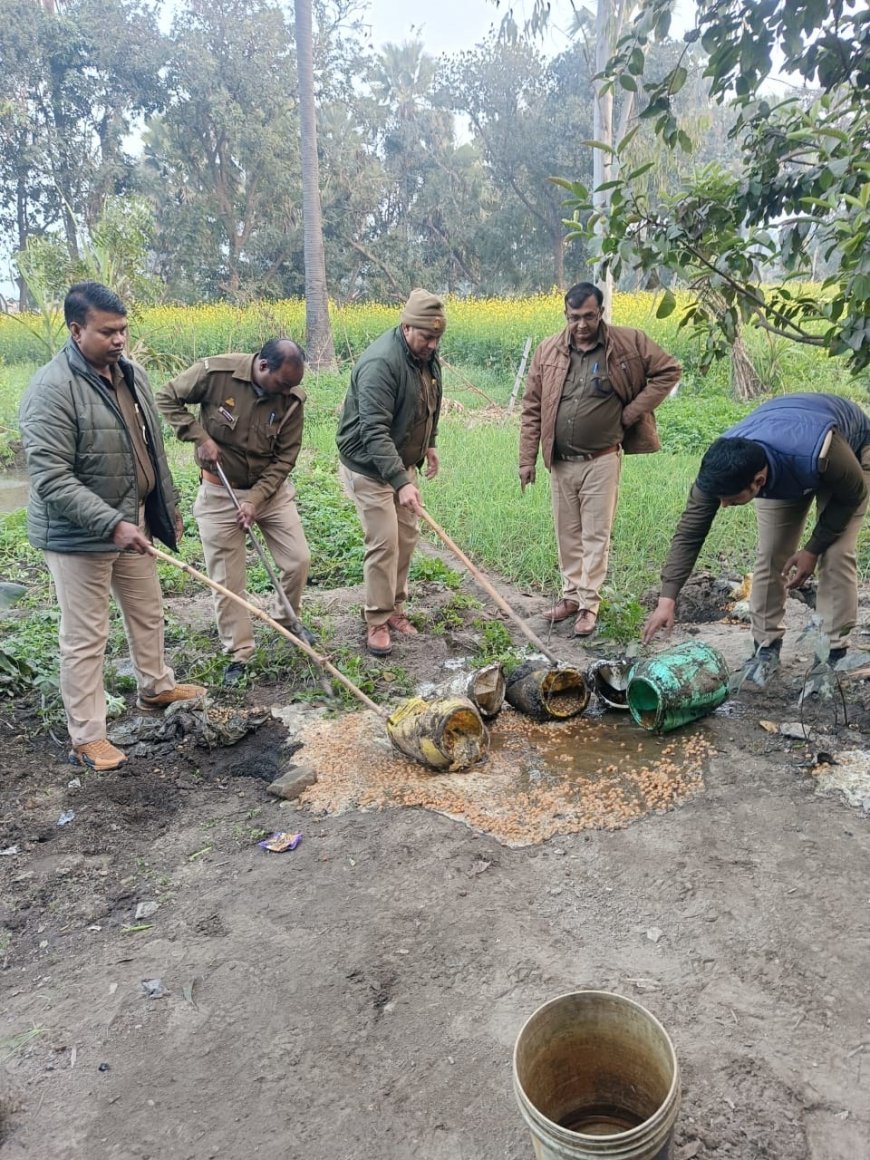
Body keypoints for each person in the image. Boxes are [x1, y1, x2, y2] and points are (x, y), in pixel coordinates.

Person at [18, 282, 206, 773]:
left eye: (123, 329)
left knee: (147, 611)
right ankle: (87, 736)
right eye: (108, 332)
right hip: (80, 536)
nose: (120, 340)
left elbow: (151, 451)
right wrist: (111, 523)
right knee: (85, 636)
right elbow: (51, 479)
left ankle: (156, 687)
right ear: (77, 330)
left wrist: (163, 509)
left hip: (131, 520)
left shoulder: (132, 375)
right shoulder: (51, 389)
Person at [643, 392, 870, 686]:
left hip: (845, 455)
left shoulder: (820, 453)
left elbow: (852, 494)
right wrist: (667, 598)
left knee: (836, 555)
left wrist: (812, 550)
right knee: (772, 554)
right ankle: (766, 648)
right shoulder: (720, 468)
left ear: (757, 482)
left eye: (731, 499)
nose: (723, 506)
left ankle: (831, 655)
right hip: (784, 455)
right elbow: (690, 532)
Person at [519, 281, 680, 637]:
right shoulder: (548, 351)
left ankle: (589, 605)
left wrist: (632, 412)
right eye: (574, 317)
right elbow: (531, 407)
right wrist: (526, 459)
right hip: (560, 461)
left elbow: (669, 370)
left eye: (588, 316)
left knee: (595, 535)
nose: (581, 325)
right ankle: (571, 597)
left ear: (600, 313)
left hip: (602, 459)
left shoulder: (627, 343)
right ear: (565, 314)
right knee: (567, 534)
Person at [156, 340, 310, 685]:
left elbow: (285, 458)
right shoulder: (216, 372)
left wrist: (255, 499)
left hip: (269, 493)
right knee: (228, 580)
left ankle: (287, 621)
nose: (288, 391)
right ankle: (240, 651)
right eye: (283, 384)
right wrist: (198, 436)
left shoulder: (291, 399)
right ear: (264, 367)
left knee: (298, 560)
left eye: (292, 385)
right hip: (220, 491)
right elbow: (166, 397)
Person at [336, 288, 445, 657]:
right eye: (427, 337)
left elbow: (431, 401)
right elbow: (373, 432)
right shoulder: (381, 364)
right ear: (406, 327)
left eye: (437, 337)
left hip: (400, 460)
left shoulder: (425, 357)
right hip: (368, 465)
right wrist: (400, 482)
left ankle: (397, 608)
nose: (432, 344)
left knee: (407, 536)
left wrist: (429, 443)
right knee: (384, 541)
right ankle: (377, 620)